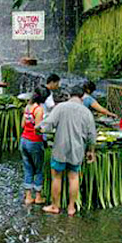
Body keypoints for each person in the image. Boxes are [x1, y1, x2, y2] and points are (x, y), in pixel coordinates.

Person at [38, 85, 97, 216]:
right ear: (82, 97)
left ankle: (55, 206)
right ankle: (71, 208)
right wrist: (91, 151)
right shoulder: (87, 112)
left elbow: (47, 125)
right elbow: (92, 135)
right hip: (77, 150)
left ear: (70, 95)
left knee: (57, 177)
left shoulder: (60, 107)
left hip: (60, 148)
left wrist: (38, 128)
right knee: (73, 177)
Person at [20, 87, 49, 205]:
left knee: (27, 168)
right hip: (34, 142)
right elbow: (38, 129)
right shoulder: (39, 110)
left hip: (24, 140)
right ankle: (38, 197)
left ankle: (28, 197)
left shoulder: (28, 107)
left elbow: (23, 124)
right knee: (38, 169)